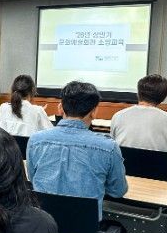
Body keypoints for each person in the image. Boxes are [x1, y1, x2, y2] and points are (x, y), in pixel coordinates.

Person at [27, 81, 128, 221]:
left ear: (60, 108)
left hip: (42, 225)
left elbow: (33, 179)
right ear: (94, 112)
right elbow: (118, 191)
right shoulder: (109, 147)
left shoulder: (35, 140)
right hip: (85, 228)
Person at [110, 74, 167, 176]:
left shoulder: (118, 116)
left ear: (138, 93)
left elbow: (113, 144)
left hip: (122, 174)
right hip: (159, 177)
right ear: (163, 97)